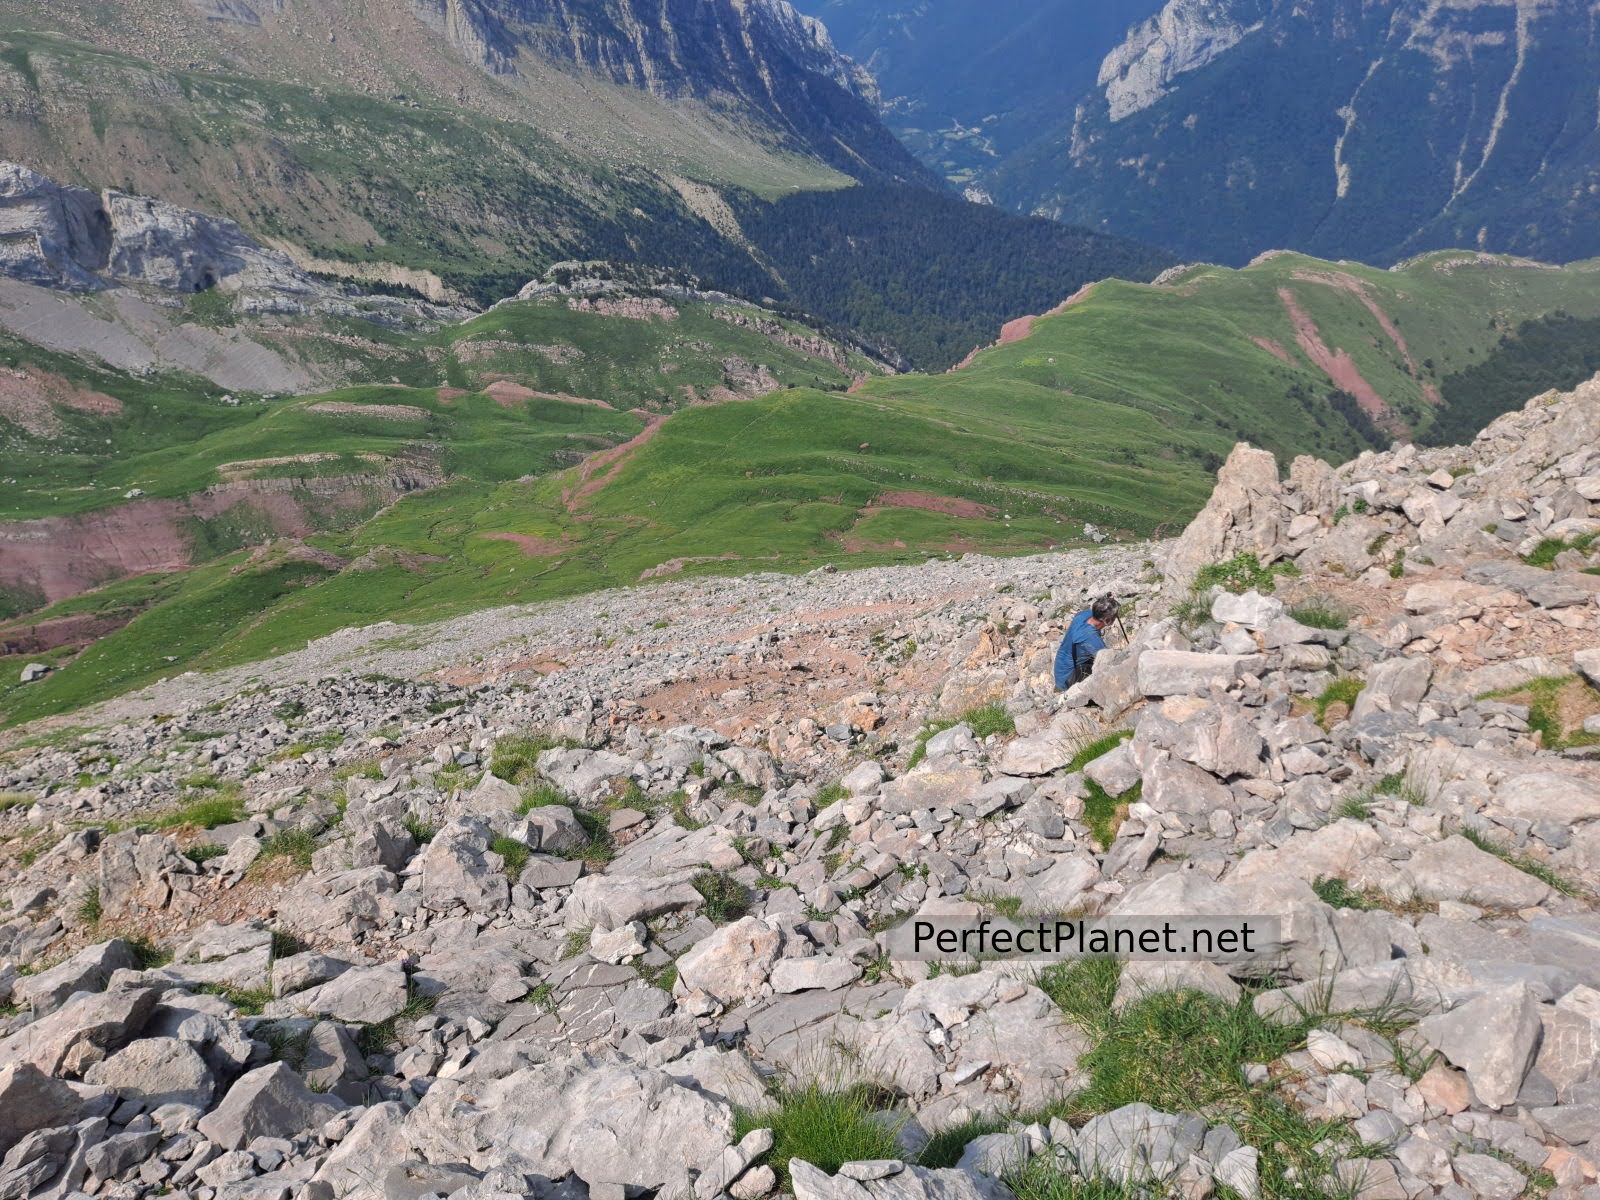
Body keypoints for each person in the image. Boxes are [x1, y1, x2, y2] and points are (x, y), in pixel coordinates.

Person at [1054, 594, 1121, 690]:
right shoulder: (1089, 637)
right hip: (1069, 680)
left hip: (1061, 672)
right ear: (1107, 620)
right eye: (1115, 616)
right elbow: (1108, 660)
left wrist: (1109, 603)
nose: (1116, 617)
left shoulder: (1083, 615)